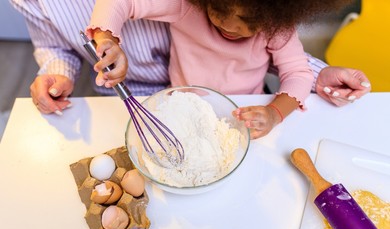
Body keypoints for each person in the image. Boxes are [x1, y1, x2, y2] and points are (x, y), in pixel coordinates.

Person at [11, 0, 371, 125]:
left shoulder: (273, 24)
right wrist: (104, 42)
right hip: (169, 101)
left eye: (244, 25)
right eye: (219, 15)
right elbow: (55, 45)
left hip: (245, 104)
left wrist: (278, 109)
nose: (228, 28)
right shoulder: (189, 8)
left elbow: (292, 69)